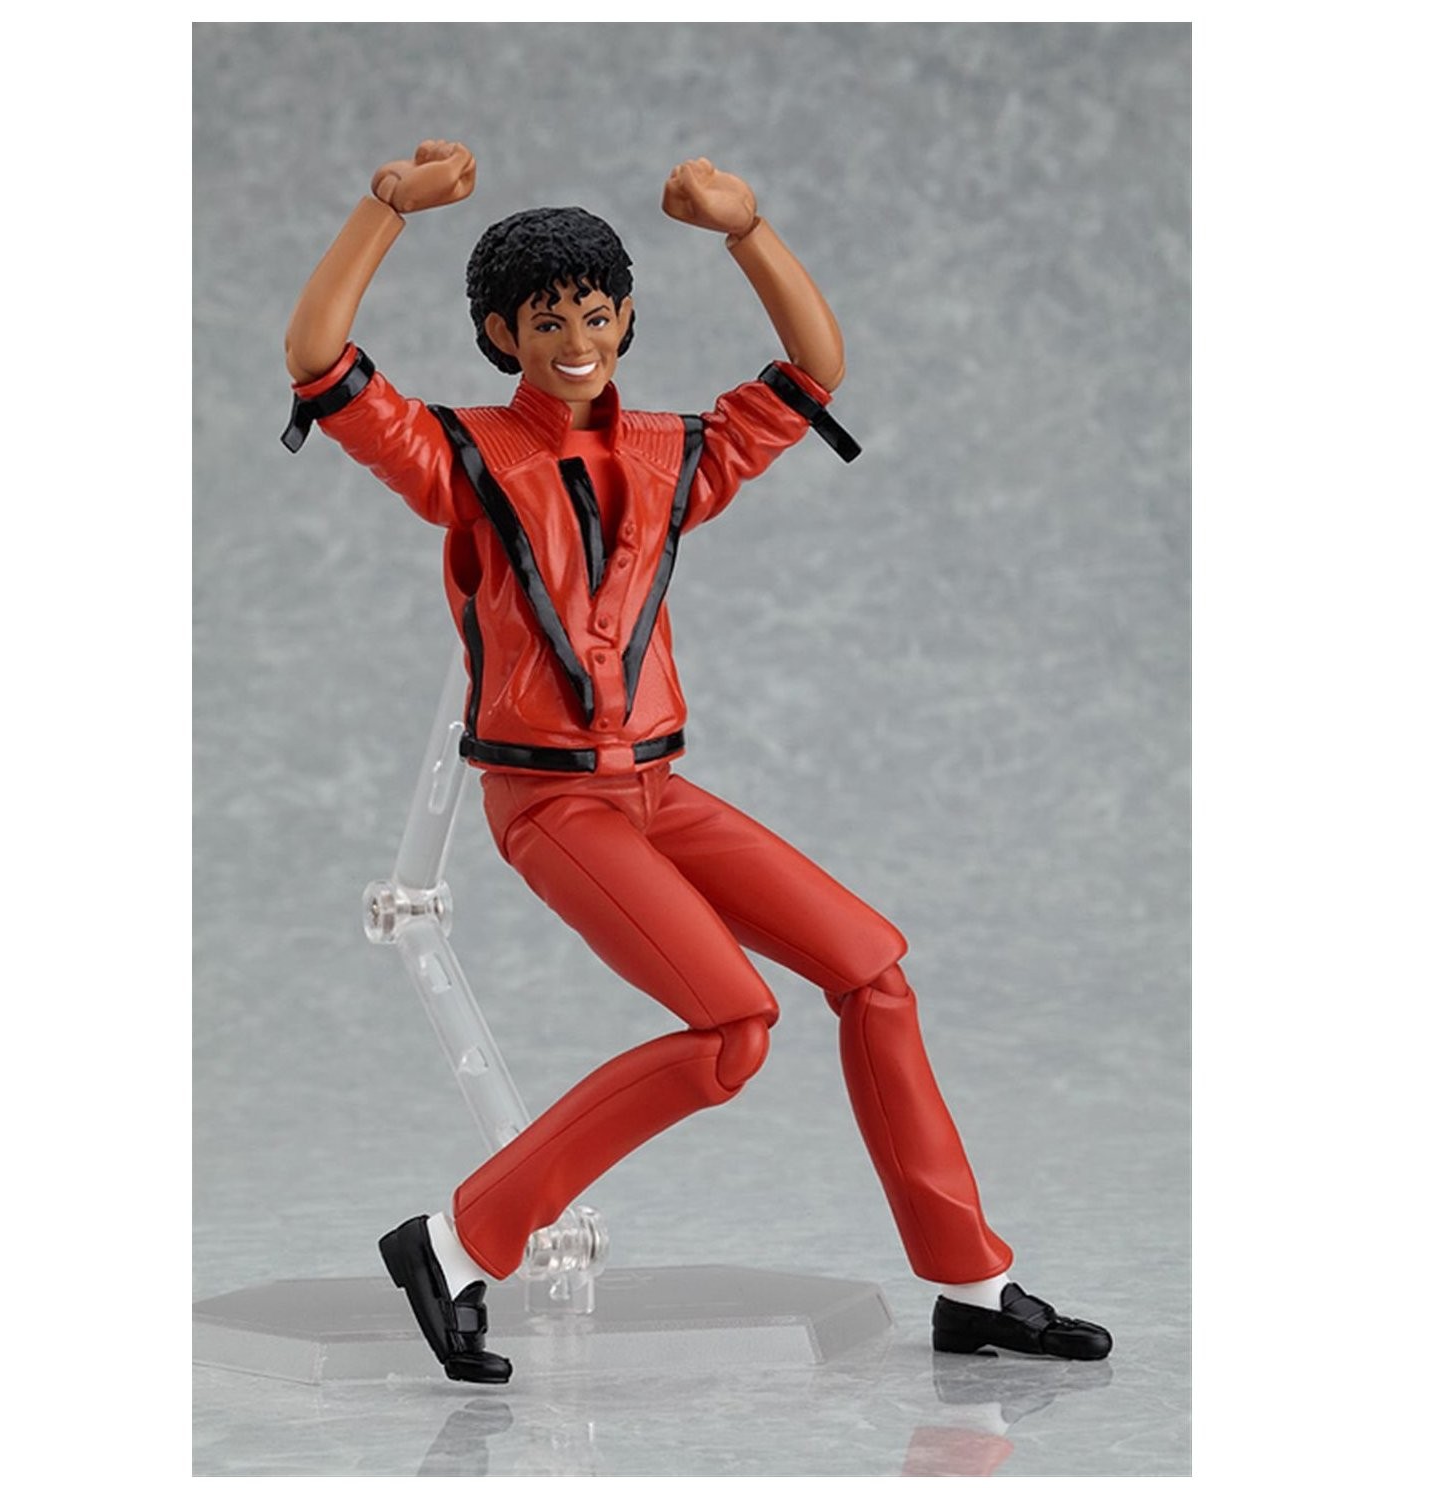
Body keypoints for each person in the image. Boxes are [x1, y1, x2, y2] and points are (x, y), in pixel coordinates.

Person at [284, 139, 1112, 1383]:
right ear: (501, 335)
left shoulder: (671, 454)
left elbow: (814, 369)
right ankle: (456, 1243)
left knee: (874, 972)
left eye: (597, 315)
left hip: (657, 788)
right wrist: (384, 208)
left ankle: (970, 1282)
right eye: (547, 321)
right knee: (732, 1028)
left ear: (626, 320)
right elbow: (318, 358)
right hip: (551, 802)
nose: (577, 341)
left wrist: (747, 230)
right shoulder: (463, 457)